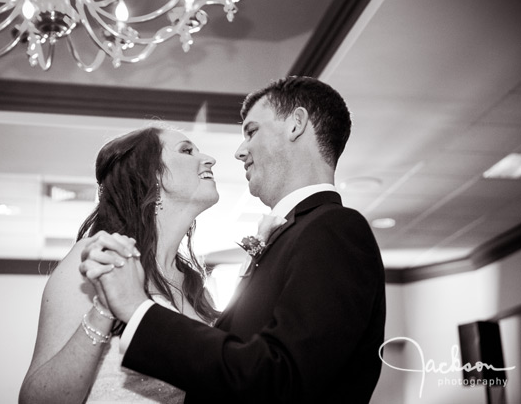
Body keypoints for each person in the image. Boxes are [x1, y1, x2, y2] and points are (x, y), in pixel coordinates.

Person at [83, 76, 387, 403]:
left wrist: (137, 309)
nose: (240, 152)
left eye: (252, 131)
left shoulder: (335, 229)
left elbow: (281, 380)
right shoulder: (297, 234)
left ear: (296, 125)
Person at [18, 126, 221, 404]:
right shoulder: (97, 261)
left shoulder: (197, 288)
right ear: (152, 176)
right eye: (187, 151)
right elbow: (37, 400)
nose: (210, 159)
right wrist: (104, 308)